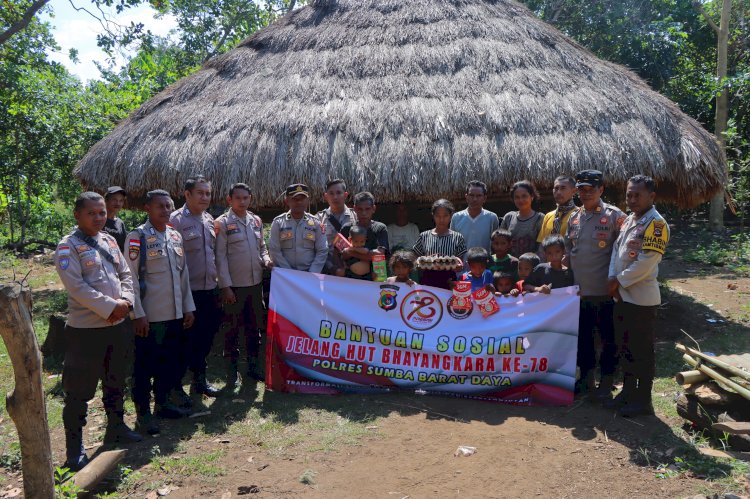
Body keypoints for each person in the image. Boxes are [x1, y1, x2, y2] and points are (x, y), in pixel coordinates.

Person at [55, 192, 142, 470]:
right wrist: (111, 307)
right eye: (91, 213)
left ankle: (116, 427)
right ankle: (74, 448)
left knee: (116, 381)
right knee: (78, 391)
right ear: (77, 215)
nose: (98, 217)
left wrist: (126, 302)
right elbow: (77, 288)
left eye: (102, 212)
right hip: (86, 332)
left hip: (117, 327)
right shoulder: (67, 247)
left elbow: (126, 274)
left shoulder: (108, 241)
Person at [127, 190, 196, 434]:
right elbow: (130, 279)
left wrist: (188, 307)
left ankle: (163, 404)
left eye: (169, 206)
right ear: (147, 208)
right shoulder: (137, 237)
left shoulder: (175, 236)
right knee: (145, 367)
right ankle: (143, 415)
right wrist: (138, 313)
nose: (165, 210)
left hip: (175, 314)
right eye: (160, 206)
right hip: (150, 317)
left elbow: (183, 275)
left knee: (169, 363)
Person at [605, 175, 669, 417]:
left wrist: (617, 282)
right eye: (629, 195)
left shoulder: (657, 224)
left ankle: (643, 400)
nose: (631, 199)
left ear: (651, 197)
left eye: (637, 195)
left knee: (642, 352)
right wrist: (613, 280)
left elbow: (646, 263)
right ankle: (628, 393)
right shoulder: (629, 220)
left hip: (641, 300)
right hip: (621, 296)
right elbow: (616, 250)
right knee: (625, 348)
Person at [565, 169, 626, 398]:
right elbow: (569, 249)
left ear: (601, 189)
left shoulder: (614, 216)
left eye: (591, 189)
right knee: (584, 339)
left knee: (609, 340)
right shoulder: (574, 217)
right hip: (580, 293)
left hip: (605, 291)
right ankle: (588, 381)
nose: (586, 193)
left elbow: (624, 252)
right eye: (581, 189)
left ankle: (607, 380)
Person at [215, 183, 273, 389]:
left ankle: (253, 368)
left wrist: (266, 260)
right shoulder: (221, 223)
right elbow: (219, 257)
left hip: (255, 285)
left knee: (254, 328)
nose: (242, 201)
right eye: (238, 198)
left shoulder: (256, 221)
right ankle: (231, 373)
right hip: (234, 287)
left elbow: (262, 248)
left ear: (251, 198)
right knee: (231, 330)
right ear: (229, 200)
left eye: (246, 197)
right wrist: (226, 287)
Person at [168, 176, 221, 400]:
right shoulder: (176, 220)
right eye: (200, 193)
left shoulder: (209, 220)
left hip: (209, 289)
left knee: (205, 337)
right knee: (183, 341)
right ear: (187, 195)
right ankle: (176, 387)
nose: (205, 197)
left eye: (208, 193)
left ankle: (200, 380)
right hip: (187, 292)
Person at [269, 184, 327, 273]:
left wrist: (312, 272)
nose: (299, 202)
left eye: (302, 199)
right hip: (285, 275)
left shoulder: (316, 223)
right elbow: (274, 250)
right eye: (295, 199)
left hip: (310, 275)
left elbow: (322, 250)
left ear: (308, 200)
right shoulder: (278, 223)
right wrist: (289, 273)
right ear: (287, 201)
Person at [412, 199, 466, 289]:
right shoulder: (424, 236)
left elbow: (459, 266)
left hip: (449, 283)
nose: (441, 219)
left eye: (445, 216)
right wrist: (422, 263)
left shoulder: (458, 237)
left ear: (451, 216)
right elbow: (416, 260)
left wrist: (454, 265)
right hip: (428, 282)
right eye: (438, 216)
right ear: (433, 216)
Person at [317, 179, 357, 274]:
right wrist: (332, 269)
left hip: (352, 270)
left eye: (339, 193)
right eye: (331, 193)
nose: (335, 197)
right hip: (326, 270)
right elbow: (316, 248)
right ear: (326, 196)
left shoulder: (356, 216)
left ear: (346, 195)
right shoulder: (319, 218)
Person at [339, 191, 390, 264]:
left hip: (375, 274)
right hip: (349, 274)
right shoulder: (347, 228)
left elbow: (379, 254)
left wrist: (351, 252)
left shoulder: (380, 228)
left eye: (367, 209)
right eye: (360, 209)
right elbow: (338, 254)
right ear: (355, 209)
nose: (364, 213)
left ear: (373, 209)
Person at [450, 181, 499, 253]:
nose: (475, 199)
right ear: (466, 197)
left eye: (479, 196)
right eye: (471, 195)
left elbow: (496, 244)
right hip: (461, 263)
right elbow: (452, 243)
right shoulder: (456, 217)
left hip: (485, 263)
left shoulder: (492, 218)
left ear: (484, 198)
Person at [500, 180, 544, 257]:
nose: (520, 200)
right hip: (510, 264)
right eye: (517, 197)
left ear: (532, 197)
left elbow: (542, 246)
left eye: (524, 196)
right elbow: (500, 242)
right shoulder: (509, 217)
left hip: (532, 265)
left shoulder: (540, 218)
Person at [536, 176, 577, 250]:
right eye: (556, 188)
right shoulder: (548, 216)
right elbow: (542, 245)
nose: (558, 192)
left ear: (574, 191)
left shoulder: (580, 214)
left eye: (563, 188)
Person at [103, 186, 129, 251]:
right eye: (114, 200)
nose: (118, 203)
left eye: (121, 201)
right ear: (106, 200)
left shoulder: (120, 223)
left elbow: (123, 248)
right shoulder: (98, 219)